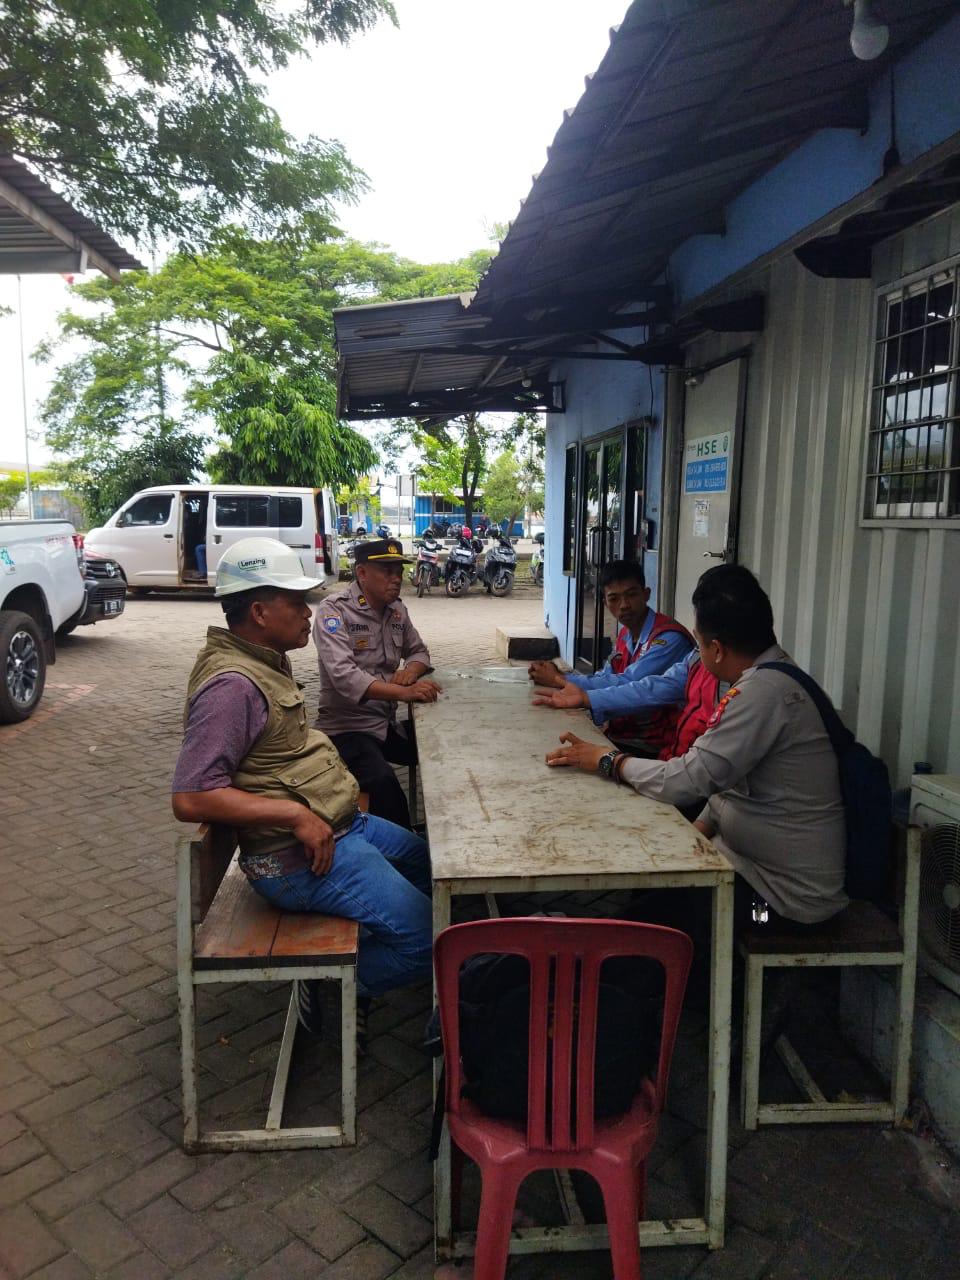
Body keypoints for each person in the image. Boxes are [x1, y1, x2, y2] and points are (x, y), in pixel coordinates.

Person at [171, 537, 433, 1045]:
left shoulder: (266, 660)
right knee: (428, 939)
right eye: (296, 602)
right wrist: (294, 816)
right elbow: (191, 797)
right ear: (259, 612)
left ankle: (370, 951)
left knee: (428, 866)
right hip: (295, 856)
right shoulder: (233, 685)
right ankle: (334, 984)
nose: (308, 614)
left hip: (341, 825)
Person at [545, 564, 848, 929]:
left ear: (716, 649)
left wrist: (608, 760)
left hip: (779, 898)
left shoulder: (763, 694)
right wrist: (697, 830)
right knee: (646, 904)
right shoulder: (764, 678)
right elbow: (723, 780)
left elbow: (689, 779)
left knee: (648, 929)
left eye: (699, 642)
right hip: (741, 864)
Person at [313, 538, 441, 829]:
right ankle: (406, 848)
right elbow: (345, 677)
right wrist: (403, 692)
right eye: (387, 571)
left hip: (385, 725)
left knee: (443, 747)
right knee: (385, 787)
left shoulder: (396, 611)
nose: (396, 578)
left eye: (399, 571)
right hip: (347, 730)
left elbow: (419, 652)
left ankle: (452, 821)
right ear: (361, 573)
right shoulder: (334, 612)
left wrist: (411, 671)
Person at [529, 560, 695, 755]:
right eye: (614, 599)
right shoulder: (625, 634)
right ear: (605, 603)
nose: (624, 605)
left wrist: (562, 680)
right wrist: (564, 682)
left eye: (631, 595)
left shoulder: (668, 638)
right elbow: (606, 676)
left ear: (646, 594)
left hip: (655, 745)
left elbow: (632, 683)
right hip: (622, 734)